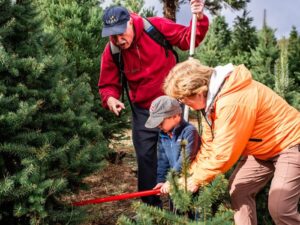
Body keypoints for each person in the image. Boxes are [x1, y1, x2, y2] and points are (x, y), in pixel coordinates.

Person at [163, 58, 300, 225]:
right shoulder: (212, 102)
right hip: (261, 149)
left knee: (280, 207)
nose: (186, 106)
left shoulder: (232, 101)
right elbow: (209, 145)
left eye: (183, 100)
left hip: (290, 143)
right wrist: (189, 176)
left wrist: (196, 179)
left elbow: (223, 154)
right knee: (239, 191)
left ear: (198, 92)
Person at [98, 0, 209, 206]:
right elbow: (107, 84)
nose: (119, 40)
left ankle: (184, 206)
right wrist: (110, 98)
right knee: (146, 162)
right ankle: (151, 210)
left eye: (122, 33)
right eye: (113, 35)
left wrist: (199, 19)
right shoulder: (112, 51)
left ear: (131, 22)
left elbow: (187, 39)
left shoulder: (155, 27)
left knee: (180, 157)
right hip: (143, 112)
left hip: (172, 107)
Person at [145, 96, 200, 194]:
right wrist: (161, 180)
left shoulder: (189, 132)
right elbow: (163, 159)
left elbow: (185, 159)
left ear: (175, 116)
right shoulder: (163, 134)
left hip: (191, 182)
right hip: (173, 182)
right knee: (175, 208)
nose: (158, 126)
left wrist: (170, 179)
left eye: (161, 122)